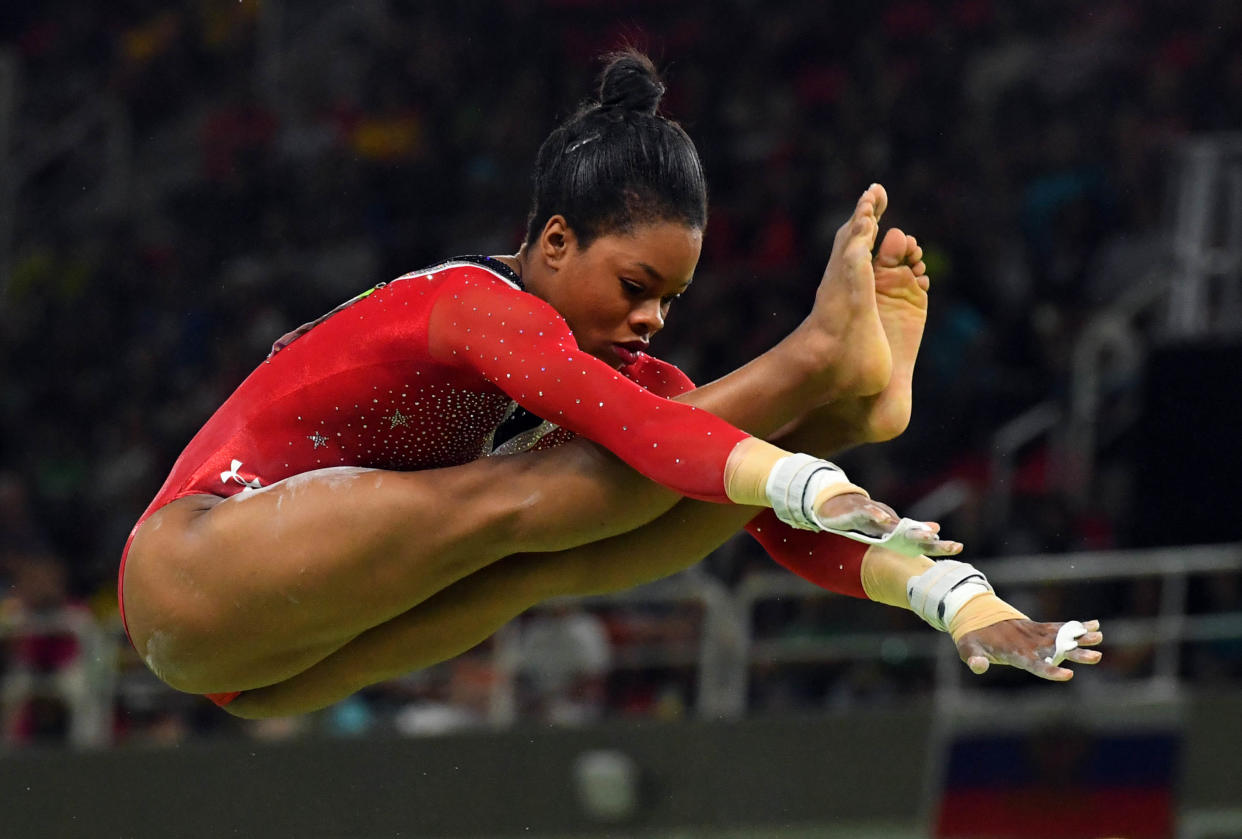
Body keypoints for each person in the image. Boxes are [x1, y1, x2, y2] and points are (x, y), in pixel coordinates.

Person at [120, 51, 1101, 718]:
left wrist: (960, 602)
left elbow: (755, 513)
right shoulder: (472, 303)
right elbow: (649, 433)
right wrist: (796, 405)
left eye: (669, 300)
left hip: (268, 674)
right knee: (522, 499)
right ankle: (818, 364)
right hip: (195, 567)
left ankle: (841, 403)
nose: (649, 321)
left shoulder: (621, 375)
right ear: (553, 240)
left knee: (559, 549)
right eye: (636, 286)